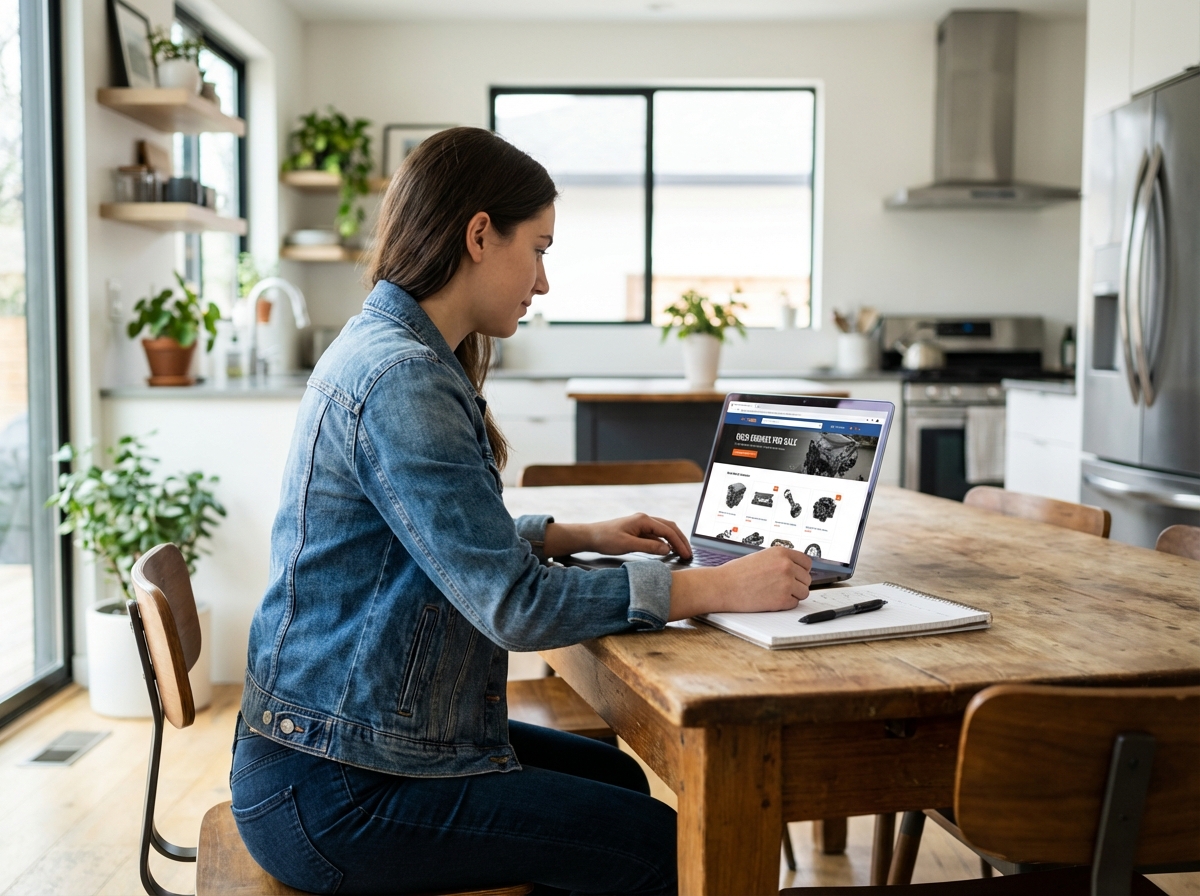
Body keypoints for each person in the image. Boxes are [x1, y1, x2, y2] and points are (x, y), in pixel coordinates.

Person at [230, 127, 812, 896]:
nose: (543, 282)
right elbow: (513, 606)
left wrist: (567, 536)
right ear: (479, 235)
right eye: (537, 250)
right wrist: (717, 587)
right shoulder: (403, 377)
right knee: (657, 847)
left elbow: (428, 539)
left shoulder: (395, 348)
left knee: (617, 780)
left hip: (345, 742)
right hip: (336, 789)